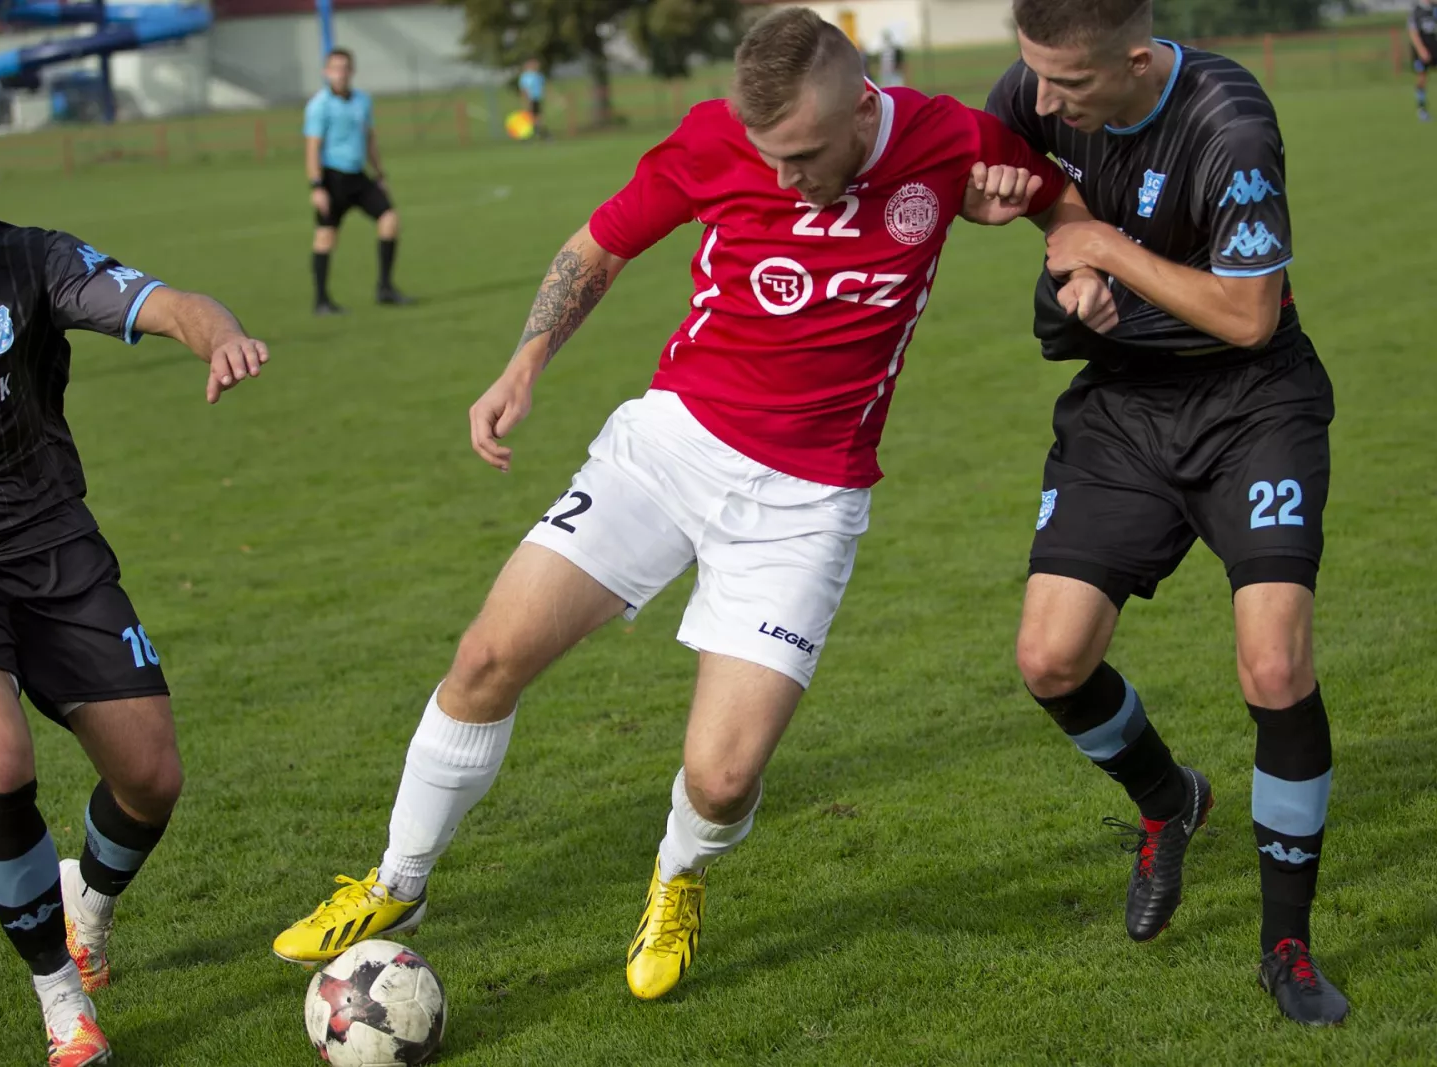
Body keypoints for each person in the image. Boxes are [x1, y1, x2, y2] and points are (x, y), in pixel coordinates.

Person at [272, 7, 1062, 1002]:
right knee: (485, 657)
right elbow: (598, 246)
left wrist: (1065, 254)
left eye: (805, 157)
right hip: (669, 447)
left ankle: (678, 873)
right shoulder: (711, 139)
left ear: (864, 110)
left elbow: (1061, 204)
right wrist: (524, 363)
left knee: (723, 778)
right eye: (770, 159)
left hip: (807, 500)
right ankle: (397, 882)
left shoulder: (948, 139)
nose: (786, 179)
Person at [0, 79, 270, 1066]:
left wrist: (217, 335)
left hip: (49, 544)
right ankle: (61, 999)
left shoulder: (28, 262)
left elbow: (165, 302)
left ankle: (90, 905)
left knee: (151, 776)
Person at [985, 0, 1349, 1026]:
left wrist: (1103, 246)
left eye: (1068, 84)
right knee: (1050, 660)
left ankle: (1285, 944)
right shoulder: (1034, 89)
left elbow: (1249, 314)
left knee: (1273, 665)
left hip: (1250, 405)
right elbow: (998, 185)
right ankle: (1169, 800)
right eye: (1033, 75)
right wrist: (1067, 258)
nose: (1042, 100)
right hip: (1122, 407)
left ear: (1138, 61)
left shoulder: (1228, 120)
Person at [304, 47, 412, 314]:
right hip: (333, 178)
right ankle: (321, 301)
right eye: (335, 68)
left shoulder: (362, 101)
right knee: (326, 237)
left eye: (345, 68)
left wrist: (379, 174)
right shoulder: (319, 105)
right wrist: (317, 186)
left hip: (358, 176)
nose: (340, 74)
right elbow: (313, 147)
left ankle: (385, 287)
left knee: (389, 219)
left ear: (352, 71)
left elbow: (369, 139)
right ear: (326, 72)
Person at [1410, 0, 1436, 121]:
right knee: (1422, 78)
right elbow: (1413, 32)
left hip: (1434, 45)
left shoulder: (1434, 8)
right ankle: (1422, 109)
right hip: (1421, 48)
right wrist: (1421, 50)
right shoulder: (1417, 11)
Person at [518, 57, 549, 138]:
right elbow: (524, 89)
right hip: (531, 99)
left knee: (538, 117)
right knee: (532, 117)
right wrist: (526, 100)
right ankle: (533, 133)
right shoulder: (526, 77)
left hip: (537, 98)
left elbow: (543, 87)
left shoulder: (538, 75)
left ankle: (538, 132)